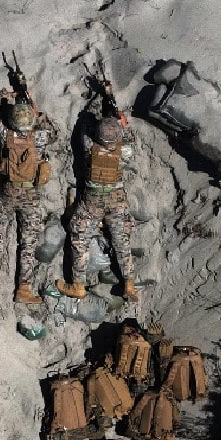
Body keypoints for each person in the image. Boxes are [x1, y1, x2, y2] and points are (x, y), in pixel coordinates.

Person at [0, 89, 58, 304]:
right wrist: (37, 112)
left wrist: (3, 95)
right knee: (28, 243)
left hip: (7, 191)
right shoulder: (41, 137)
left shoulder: (5, 134)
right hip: (31, 196)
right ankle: (24, 289)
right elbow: (54, 133)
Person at [57, 114, 138, 302]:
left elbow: (86, 125)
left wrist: (98, 116)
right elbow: (128, 137)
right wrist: (122, 124)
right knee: (122, 242)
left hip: (92, 202)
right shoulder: (125, 150)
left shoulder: (89, 146)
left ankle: (78, 285)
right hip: (116, 200)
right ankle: (129, 284)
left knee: (79, 238)